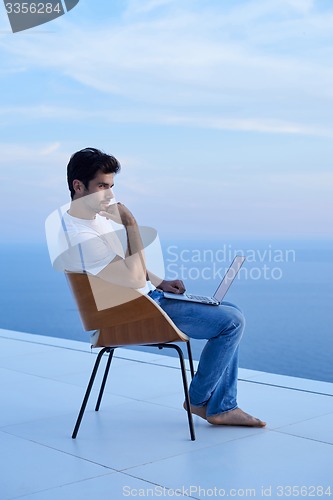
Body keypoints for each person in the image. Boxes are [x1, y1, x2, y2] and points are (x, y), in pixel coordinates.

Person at [59, 147, 266, 427]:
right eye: (102, 187)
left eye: (112, 187)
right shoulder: (81, 234)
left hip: (143, 300)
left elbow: (122, 266)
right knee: (232, 322)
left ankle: (220, 404)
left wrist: (160, 282)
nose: (110, 196)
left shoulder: (90, 220)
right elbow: (131, 277)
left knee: (230, 310)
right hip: (129, 313)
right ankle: (206, 402)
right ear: (78, 186)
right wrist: (131, 224)